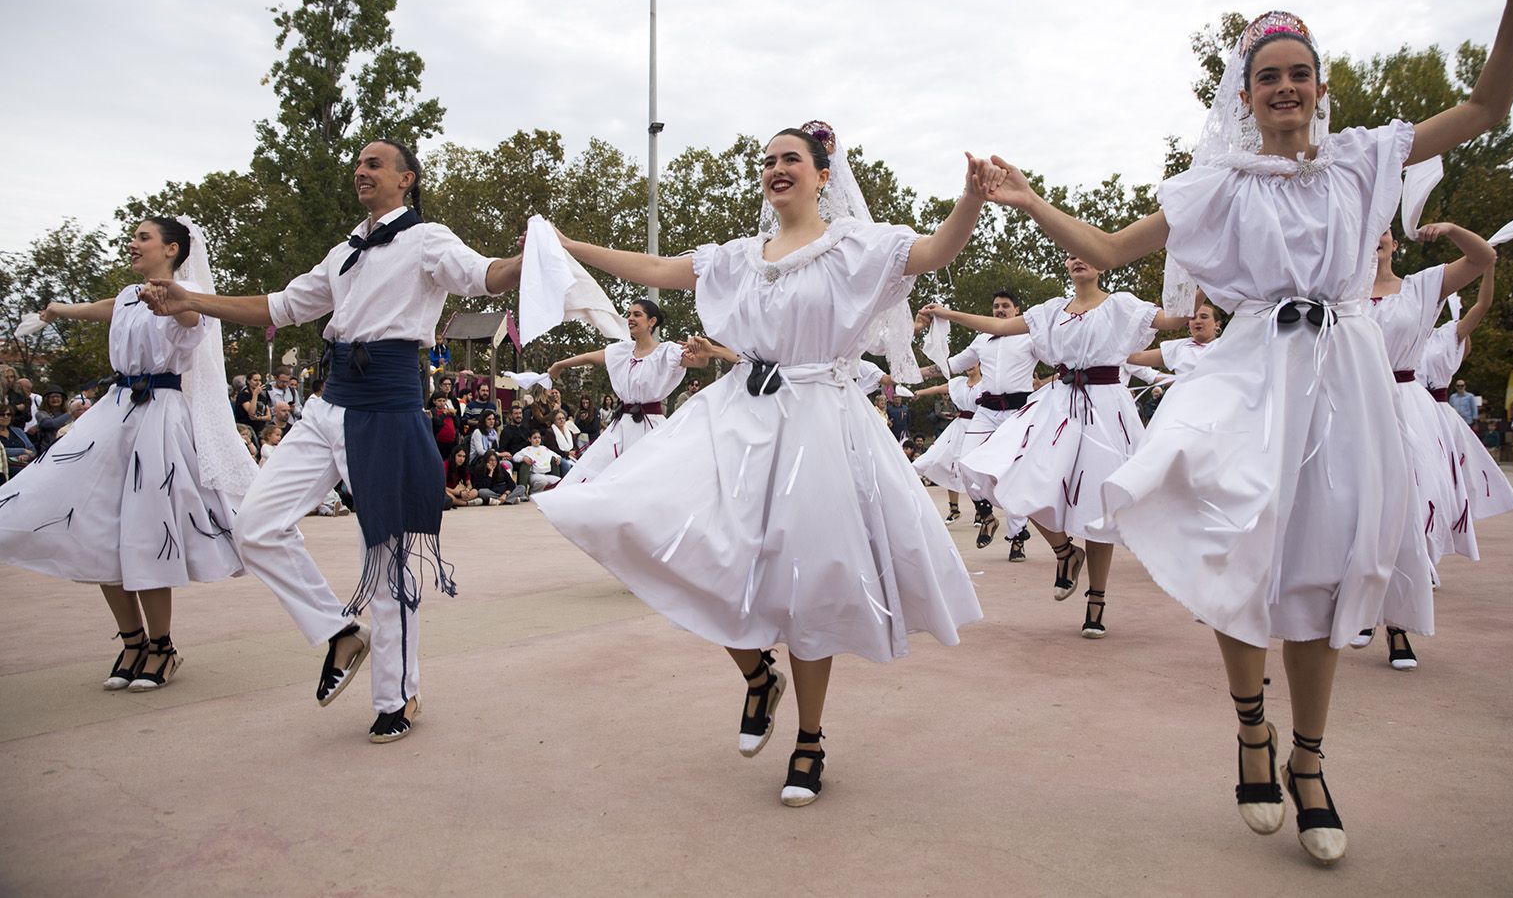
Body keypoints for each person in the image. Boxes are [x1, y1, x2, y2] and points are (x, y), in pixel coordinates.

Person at [975, 0, 1513, 865]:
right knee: (1238, 544)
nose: (1283, 86)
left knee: (1324, 566)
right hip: (1253, 375)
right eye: (1267, 75)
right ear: (1245, 95)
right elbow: (1110, 250)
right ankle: (1250, 727)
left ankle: (1309, 761)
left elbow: (1488, 105)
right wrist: (1031, 200)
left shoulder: (1365, 160)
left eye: (1298, 73)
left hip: (1346, 382)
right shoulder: (1221, 186)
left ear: (1320, 85)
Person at [535, 121, 985, 808]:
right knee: (658, 527)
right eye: (768, 160)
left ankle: (809, 740)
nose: (777, 169)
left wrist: (972, 199)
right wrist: (570, 247)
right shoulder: (740, 256)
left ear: (822, 175)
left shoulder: (856, 248)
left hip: (820, 422)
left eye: (791, 160)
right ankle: (756, 674)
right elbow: (657, 270)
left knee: (810, 582)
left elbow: (930, 251)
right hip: (739, 417)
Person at [139, 138, 525, 743]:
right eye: (359, 163)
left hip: (389, 407)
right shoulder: (344, 249)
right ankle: (340, 631)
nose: (361, 170)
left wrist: (527, 261)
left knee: (387, 557)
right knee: (256, 524)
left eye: (375, 163)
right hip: (329, 404)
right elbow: (281, 305)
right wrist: (193, 300)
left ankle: (397, 696)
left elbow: (484, 276)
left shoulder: (428, 239)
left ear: (406, 179)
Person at [0, 217, 253, 692]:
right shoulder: (126, 296)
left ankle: (162, 647)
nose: (133, 243)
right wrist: (58, 309)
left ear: (172, 249)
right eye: (133, 237)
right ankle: (132, 641)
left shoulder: (188, 293)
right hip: (115, 413)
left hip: (159, 416)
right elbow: (106, 307)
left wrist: (176, 304)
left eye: (143, 237)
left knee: (145, 528)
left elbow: (193, 321)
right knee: (96, 525)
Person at [931, 255, 1187, 630]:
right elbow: (997, 326)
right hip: (1059, 406)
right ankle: (1064, 551)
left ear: (1103, 262)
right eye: (1070, 254)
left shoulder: (1122, 306)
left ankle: (1096, 599)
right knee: (1001, 471)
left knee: (1100, 506)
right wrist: (949, 313)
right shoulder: (1050, 312)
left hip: (1105, 408)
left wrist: (1197, 269)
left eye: (1086, 252)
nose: (1078, 258)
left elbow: (1174, 318)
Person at [1351, 223, 1497, 671]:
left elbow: (1483, 259)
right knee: (1353, 512)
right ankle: (1360, 607)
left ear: (1394, 242)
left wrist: (1452, 229)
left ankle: (1397, 626)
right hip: (1353, 404)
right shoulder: (1337, 293)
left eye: (1384, 231)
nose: (1375, 237)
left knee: (1405, 514)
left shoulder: (1420, 287)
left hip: (1404, 405)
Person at [1416, 264, 1513, 559]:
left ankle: (1430, 555)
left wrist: (1488, 266)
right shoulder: (1400, 330)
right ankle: (1418, 555)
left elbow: (1483, 305)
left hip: (1437, 417)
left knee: (1438, 486)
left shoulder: (1448, 335)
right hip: (1406, 410)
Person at [546, 299, 688, 484]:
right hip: (621, 425)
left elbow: (700, 361)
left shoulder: (666, 351)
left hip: (650, 425)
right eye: (628, 314)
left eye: (637, 314)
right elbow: (591, 357)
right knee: (595, 471)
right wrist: (560, 364)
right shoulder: (622, 351)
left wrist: (700, 351)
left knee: (650, 477)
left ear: (652, 321)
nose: (630, 318)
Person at [947, 290, 1046, 552]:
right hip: (987, 411)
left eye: (1005, 306)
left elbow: (1058, 359)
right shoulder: (982, 340)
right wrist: (907, 370)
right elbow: (952, 366)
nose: (1000, 310)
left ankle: (1017, 537)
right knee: (966, 463)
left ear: (1017, 310)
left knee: (1010, 474)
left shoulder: (1030, 337)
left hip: (1017, 412)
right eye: (996, 307)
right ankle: (986, 515)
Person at [909, 365, 984, 522]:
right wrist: (920, 393)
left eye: (973, 363)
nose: (969, 366)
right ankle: (954, 509)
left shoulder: (987, 383)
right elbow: (938, 388)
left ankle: (982, 509)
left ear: (980, 365)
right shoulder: (959, 383)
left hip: (979, 427)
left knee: (975, 468)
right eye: (967, 363)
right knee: (948, 464)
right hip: (959, 427)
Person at [1, 404, 37, 476]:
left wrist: (26, 457)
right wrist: (22, 451)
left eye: (9, 414)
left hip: (24, 464)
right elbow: (2, 451)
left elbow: (32, 450)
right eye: (2, 414)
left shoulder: (18, 431)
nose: (6, 417)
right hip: (4, 467)